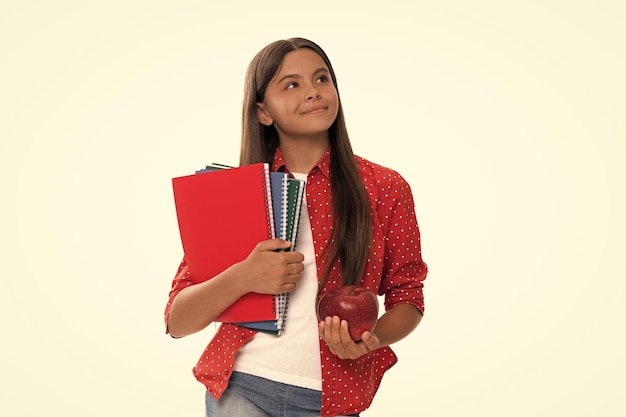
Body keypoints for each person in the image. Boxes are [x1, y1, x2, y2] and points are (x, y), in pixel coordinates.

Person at [164, 37, 428, 417]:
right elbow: (178, 320)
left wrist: (370, 342)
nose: (312, 92)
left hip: (332, 399)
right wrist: (244, 276)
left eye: (321, 79)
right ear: (263, 112)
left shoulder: (384, 188)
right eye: (292, 84)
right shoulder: (234, 192)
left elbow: (409, 299)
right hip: (242, 388)